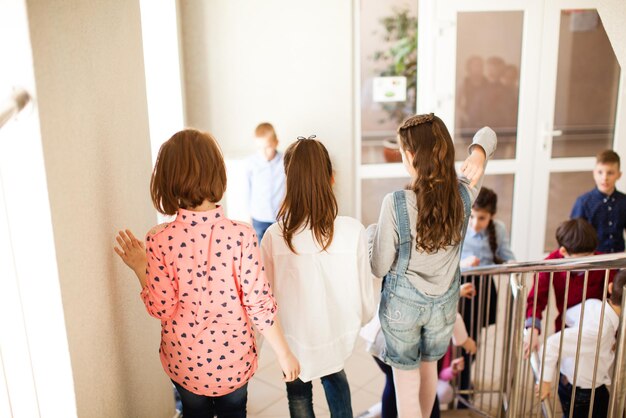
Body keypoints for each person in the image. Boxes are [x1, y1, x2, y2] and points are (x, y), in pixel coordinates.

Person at [113, 129, 299, 418]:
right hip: (234, 364)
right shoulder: (242, 236)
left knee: (193, 412)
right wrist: (284, 352)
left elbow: (161, 307)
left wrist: (140, 266)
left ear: (166, 179)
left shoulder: (159, 239)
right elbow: (259, 306)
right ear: (218, 174)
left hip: (185, 364)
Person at [369, 113, 496, 417]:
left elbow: (379, 266)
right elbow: (488, 132)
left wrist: (371, 234)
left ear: (410, 156)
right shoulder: (465, 192)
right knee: (429, 374)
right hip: (443, 308)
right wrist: (478, 154)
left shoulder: (396, 202)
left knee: (406, 388)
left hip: (403, 309)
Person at [261, 136, 376, 418]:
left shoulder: (275, 236)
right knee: (336, 379)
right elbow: (365, 297)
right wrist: (353, 320)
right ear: (330, 178)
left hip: (292, 338)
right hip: (335, 333)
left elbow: (264, 299)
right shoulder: (352, 230)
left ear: (288, 180)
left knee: (298, 394)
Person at [360, 283, 478, 418]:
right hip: (398, 341)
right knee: (426, 389)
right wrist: (466, 342)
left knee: (393, 383)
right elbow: (449, 313)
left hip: (378, 334)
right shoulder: (436, 275)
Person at [536, 270, 626, 418]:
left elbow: (568, 316)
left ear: (610, 288)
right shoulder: (600, 331)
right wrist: (544, 381)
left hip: (570, 380)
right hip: (584, 391)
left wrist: (609, 341)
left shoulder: (594, 304)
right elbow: (552, 345)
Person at [524, 218, 615, 356]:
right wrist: (532, 330)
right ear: (563, 252)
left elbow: (615, 299)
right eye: (581, 260)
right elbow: (537, 298)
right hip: (565, 326)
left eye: (590, 257)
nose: (587, 263)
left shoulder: (603, 263)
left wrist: (615, 333)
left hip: (597, 329)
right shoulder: (550, 264)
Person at [458, 187, 515, 403]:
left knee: (474, 336)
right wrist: (463, 264)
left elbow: (506, 255)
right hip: (461, 287)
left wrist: (516, 268)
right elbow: (446, 259)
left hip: (483, 288)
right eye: (472, 216)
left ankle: (464, 381)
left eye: (481, 218)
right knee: (461, 335)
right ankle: (458, 380)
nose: (475, 222)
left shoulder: (498, 229)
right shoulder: (460, 225)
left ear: (492, 215)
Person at [571, 149, 626, 253]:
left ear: (619, 175)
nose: (604, 178)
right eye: (600, 172)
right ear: (594, 173)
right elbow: (574, 236)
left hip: (618, 258)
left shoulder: (624, 201)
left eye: (610, 173)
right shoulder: (583, 202)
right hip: (593, 260)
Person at [245, 122, 286, 241]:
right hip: (259, 217)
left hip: (280, 217)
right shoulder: (251, 163)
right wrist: (249, 215)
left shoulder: (284, 161)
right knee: (261, 249)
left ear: (276, 143)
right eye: (259, 148)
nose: (263, 152)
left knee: (280, 246)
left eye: (267, 147)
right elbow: (247, 189)